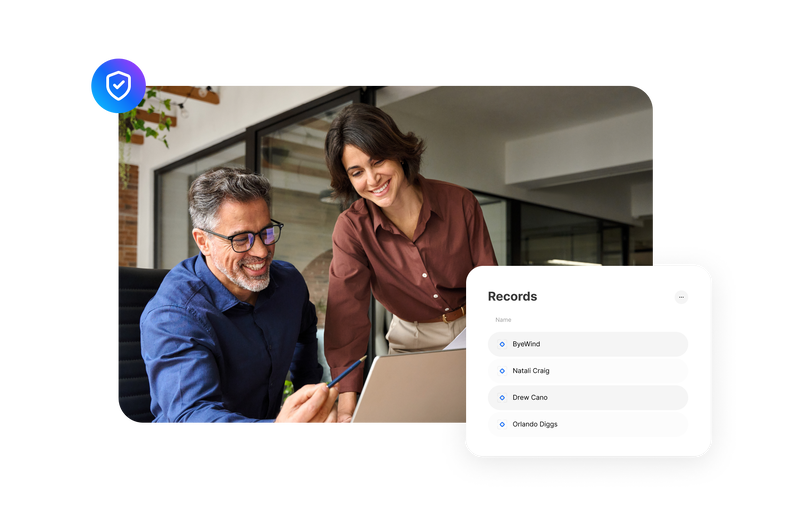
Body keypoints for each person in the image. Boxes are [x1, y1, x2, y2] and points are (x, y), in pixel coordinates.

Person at [323, 104, 498, 425]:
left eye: (377, 161)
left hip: (474, 329)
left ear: (398, 154)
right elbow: (346, 317)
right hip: (411, 340)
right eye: (357, 172)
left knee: (480, 425)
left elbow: (490, 284)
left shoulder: (460, 202)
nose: (372, 179)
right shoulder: (352, 228)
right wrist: (348, 405)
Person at [140, 167, 338, 424]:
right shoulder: (172, 316)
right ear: (203, 241)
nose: (261, 250)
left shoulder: (289, 284)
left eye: (266, 232)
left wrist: (310, 401)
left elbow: (305, 328)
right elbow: (191, 415)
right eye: (241, 239)